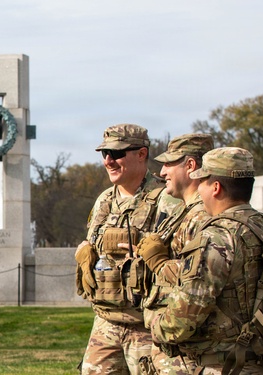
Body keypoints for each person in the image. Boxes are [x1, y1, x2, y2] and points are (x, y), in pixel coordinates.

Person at [148, 147, 263, 374]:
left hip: (224, 365)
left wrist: (154, 325)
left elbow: (183, 319)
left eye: (201, 182)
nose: (198, 190)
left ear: (216, 187)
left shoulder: (216, 237)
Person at [75, 123, 181, 374]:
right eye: (104, 154)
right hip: (105, 322)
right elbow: (95, 244)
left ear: (141, 154)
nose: (108, 161)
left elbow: (183, 264)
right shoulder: (104, 200)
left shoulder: (167, 199)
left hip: (146, 325)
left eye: (117, 153)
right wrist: (85, 254)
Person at [136, 133, 214, 374]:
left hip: (188, 352)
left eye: (169, 163)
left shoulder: (202, 216)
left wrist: (159, 262)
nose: (162, 172)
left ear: (190, 166)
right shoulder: (183, 212)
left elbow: (202, 277)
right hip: (173, 348)